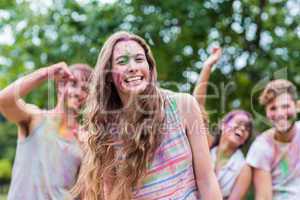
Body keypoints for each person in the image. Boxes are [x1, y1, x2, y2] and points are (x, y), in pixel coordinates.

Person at [71, 31, 222, 200]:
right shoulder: (106, 128)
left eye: (139, 59)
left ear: (149, 67)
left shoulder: (183, 106)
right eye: (122, 62)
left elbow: (207, 180)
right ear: (109, 75)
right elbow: (113, 194)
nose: (133, 67)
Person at [0, 62, 93, 199]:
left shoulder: (85, 140)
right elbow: (4, 100)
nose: (78, 93)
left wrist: (89, 155)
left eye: (85, 89)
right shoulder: (35, 118)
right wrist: (46, 72)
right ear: (60, 86)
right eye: (73, 84)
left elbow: (84, 193)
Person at [193, 47, 252, 199]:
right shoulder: (206, 144)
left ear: (245, 139)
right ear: (222, 125)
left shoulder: (244, 168)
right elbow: (197, 108)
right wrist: (208, 66)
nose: (242, 128)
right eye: (238, 122)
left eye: (247, 128)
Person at [246, 79, 300, 200]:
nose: (280, 113)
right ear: (266, 112)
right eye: (273, 108)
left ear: (297, 106)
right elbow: (264, 197)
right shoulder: (261, 146)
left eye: (285, 106)